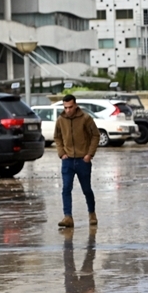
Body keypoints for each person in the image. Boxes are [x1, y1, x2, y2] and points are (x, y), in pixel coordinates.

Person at [54, 94, 99, 228]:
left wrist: (89, 154)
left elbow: (96, 135)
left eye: (70, 107)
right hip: (67, 160)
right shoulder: (61, 120)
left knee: (87, 189)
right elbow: (57, 137)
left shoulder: (86, 118)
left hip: (82, 160)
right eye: (66, 107)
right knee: (66, 188)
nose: (68, 110)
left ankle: (92, 213)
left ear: (76, 105)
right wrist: (61, 153)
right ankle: (68, 217)